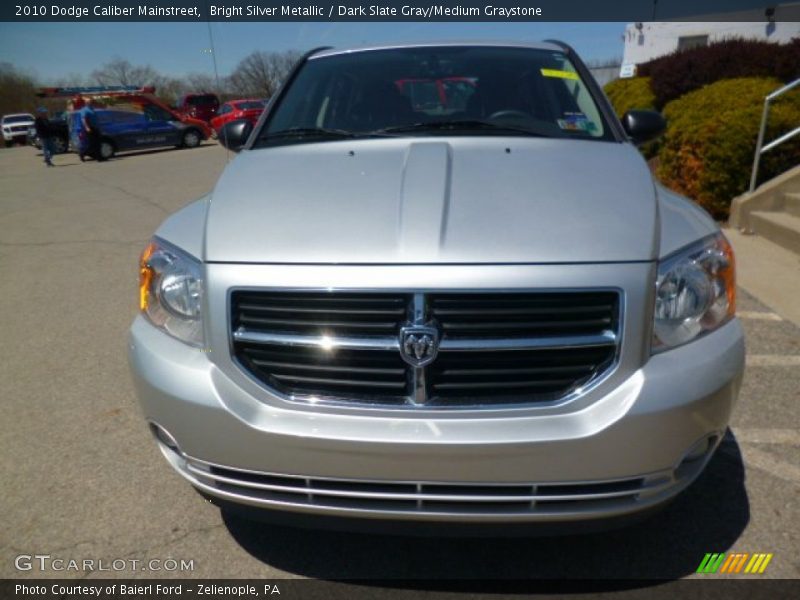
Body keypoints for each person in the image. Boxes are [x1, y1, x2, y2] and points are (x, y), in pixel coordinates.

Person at [80, 97, 105, 162]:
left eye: (91, 101)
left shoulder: (92, 109)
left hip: (96, 128)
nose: (91, 102)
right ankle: (83, 153)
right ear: (86, 103)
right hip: (90, 128)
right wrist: (87, 127)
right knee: (92, 144)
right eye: (90, 102)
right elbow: (83, 119)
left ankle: (99, 157)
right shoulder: (84, 110)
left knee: (98, 143)